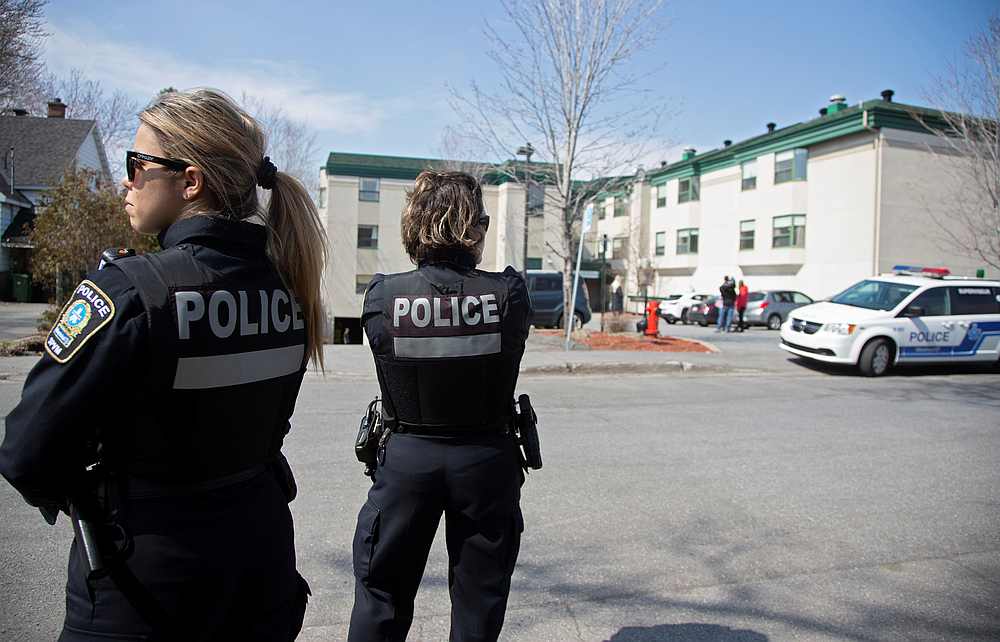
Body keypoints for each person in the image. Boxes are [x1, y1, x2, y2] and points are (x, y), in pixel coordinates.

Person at [0, 88, 326, 641]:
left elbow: (27, 452)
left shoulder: (129, 294)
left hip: (146, 591)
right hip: (258, 569)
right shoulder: (289, 290)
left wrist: (91, 488)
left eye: (137, 164)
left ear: (190, 181)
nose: (127, 180)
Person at [349, 170, 530, 642]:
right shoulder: (508, 294)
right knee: (478, 602)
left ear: (413, 223)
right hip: (486, 462)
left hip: (407, 460)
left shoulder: (383, 295)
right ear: (473, 227)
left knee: (381, 596)